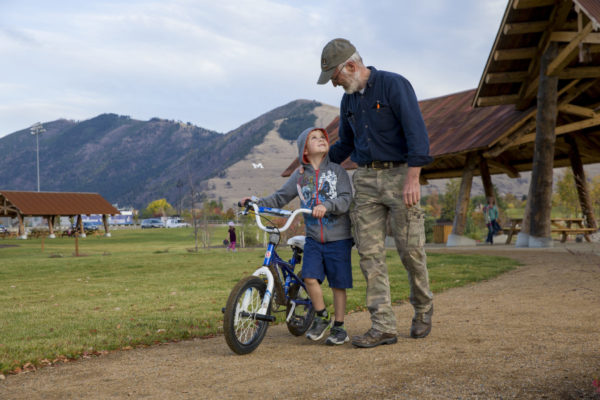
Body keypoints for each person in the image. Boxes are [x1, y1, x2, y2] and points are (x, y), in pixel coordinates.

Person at [317, 38, 434, 348]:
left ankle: (423, 308)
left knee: (410, 251)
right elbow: (346, 145)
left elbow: (417, 134)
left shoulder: (395, 85)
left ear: (351, 67)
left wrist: (413, 177)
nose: (335, 84)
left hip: (400, 176)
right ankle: (383, 326)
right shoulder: (349, 101)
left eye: (335, 77)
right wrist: (318, 162)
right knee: (369, 254)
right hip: (366, 179)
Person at [242, 127, 354, 345]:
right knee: (310, 277)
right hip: (313, 237)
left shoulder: (337, 171)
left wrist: (327, 205)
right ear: (304, 149)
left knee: (338, 284)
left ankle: (339, 327)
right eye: (314, 138)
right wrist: (255, 203)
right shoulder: (299, 176)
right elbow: (280, 197)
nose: (321, 140)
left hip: (339, 238)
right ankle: (321, 316)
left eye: (323, 137)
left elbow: (345, 199)